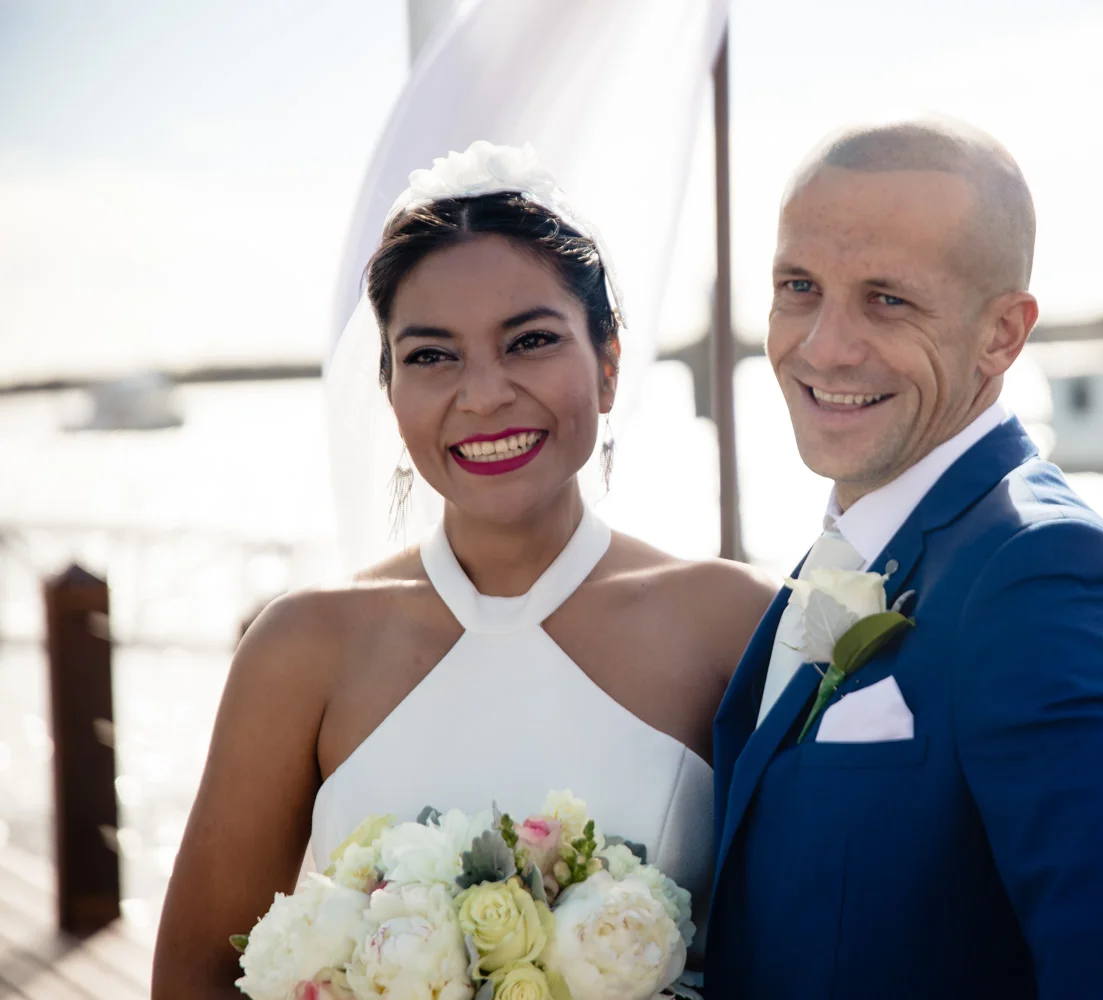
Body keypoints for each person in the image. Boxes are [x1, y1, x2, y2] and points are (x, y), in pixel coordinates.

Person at [151, 143, 775, 996]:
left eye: (530, 341)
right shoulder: (299, 649)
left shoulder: (733, 624)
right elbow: (196, 980)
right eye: (432, 356)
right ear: (390, 388)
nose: (483, 395)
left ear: (608, 365)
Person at [706, 119, 1103, 997]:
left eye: (887, 300)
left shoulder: (1043, 575)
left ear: (1001, 335)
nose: (822, 345)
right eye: (799, 287)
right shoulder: (857, 543)